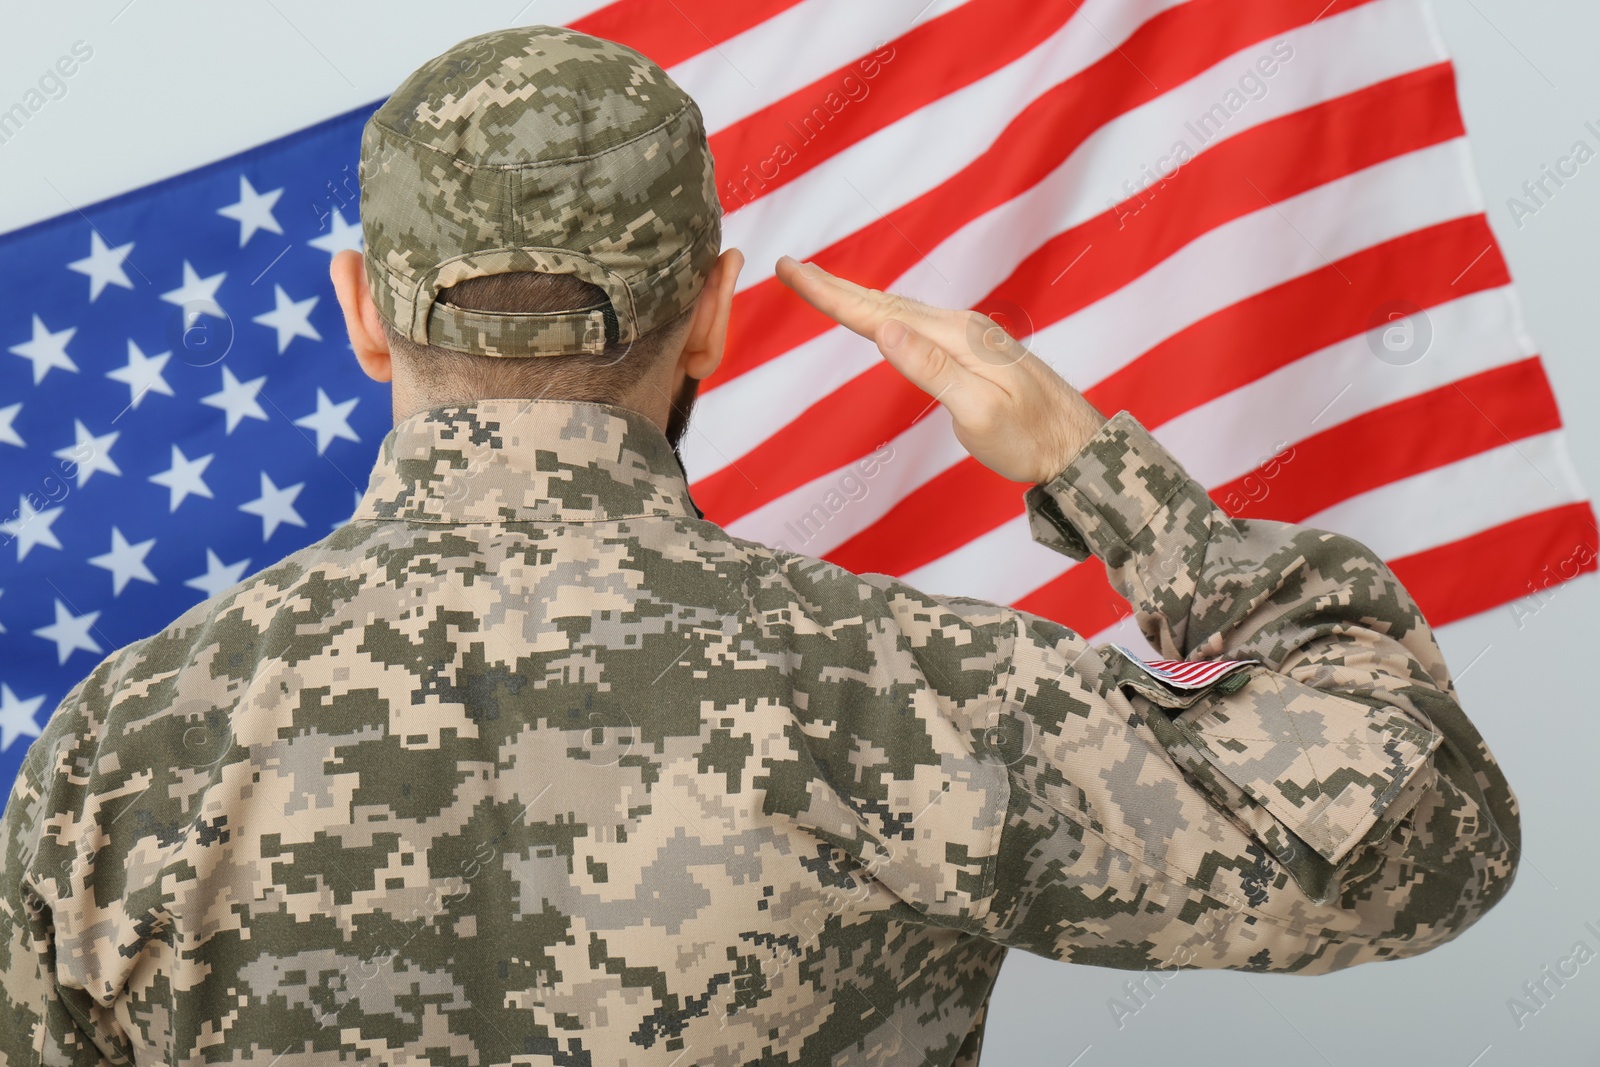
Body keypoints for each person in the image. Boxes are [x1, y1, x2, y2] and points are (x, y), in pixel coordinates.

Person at [0, 25, 1518, 1067]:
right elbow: (1425, 840)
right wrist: (1093, 469)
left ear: (361, 313)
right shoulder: (915, 691)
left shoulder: (120, 747)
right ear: (719, 310)